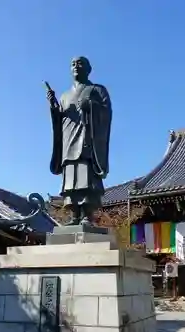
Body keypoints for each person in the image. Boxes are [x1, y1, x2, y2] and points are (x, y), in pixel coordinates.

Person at [45, 56, 112, 225]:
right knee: (70, 182)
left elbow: (107, 113)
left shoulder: (97, 90)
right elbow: (59, 120)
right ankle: (74, 216)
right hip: (68, 140)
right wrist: (53, 107)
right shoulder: (65, 96)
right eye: (73, 64)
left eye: (80, 63)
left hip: (87, 141)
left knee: (87, 179)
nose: (76, 66)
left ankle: (87, 216)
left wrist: (91, 106)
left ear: (89, 69)